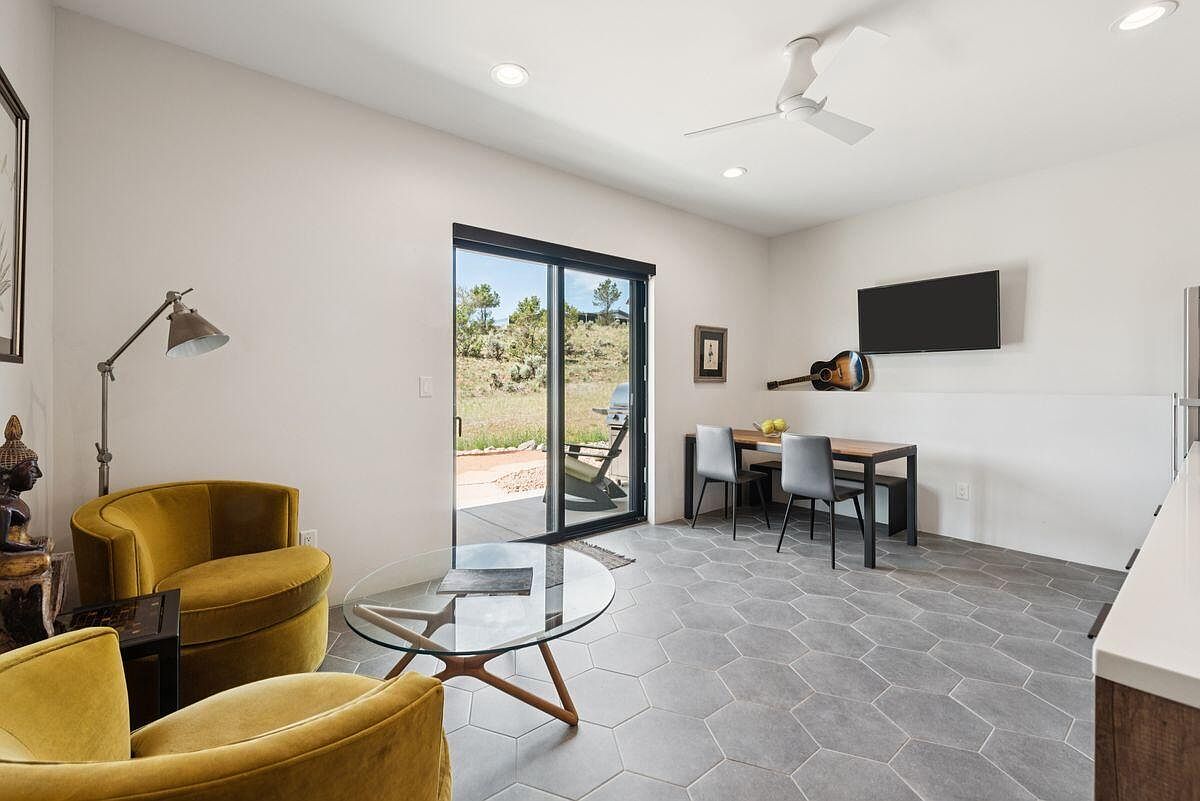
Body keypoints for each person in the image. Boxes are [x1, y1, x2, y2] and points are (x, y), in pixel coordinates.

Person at [0, 415, 43, 552]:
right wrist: (33, 548)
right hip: (5, 555)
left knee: (47, 542)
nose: (39, 474)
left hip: (19, 544)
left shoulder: (15, 500)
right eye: (32, 470)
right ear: (7, 476)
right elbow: (2, 544)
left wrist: (32, 543)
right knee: (44, 559)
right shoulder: (3, 507)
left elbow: (18, 535)